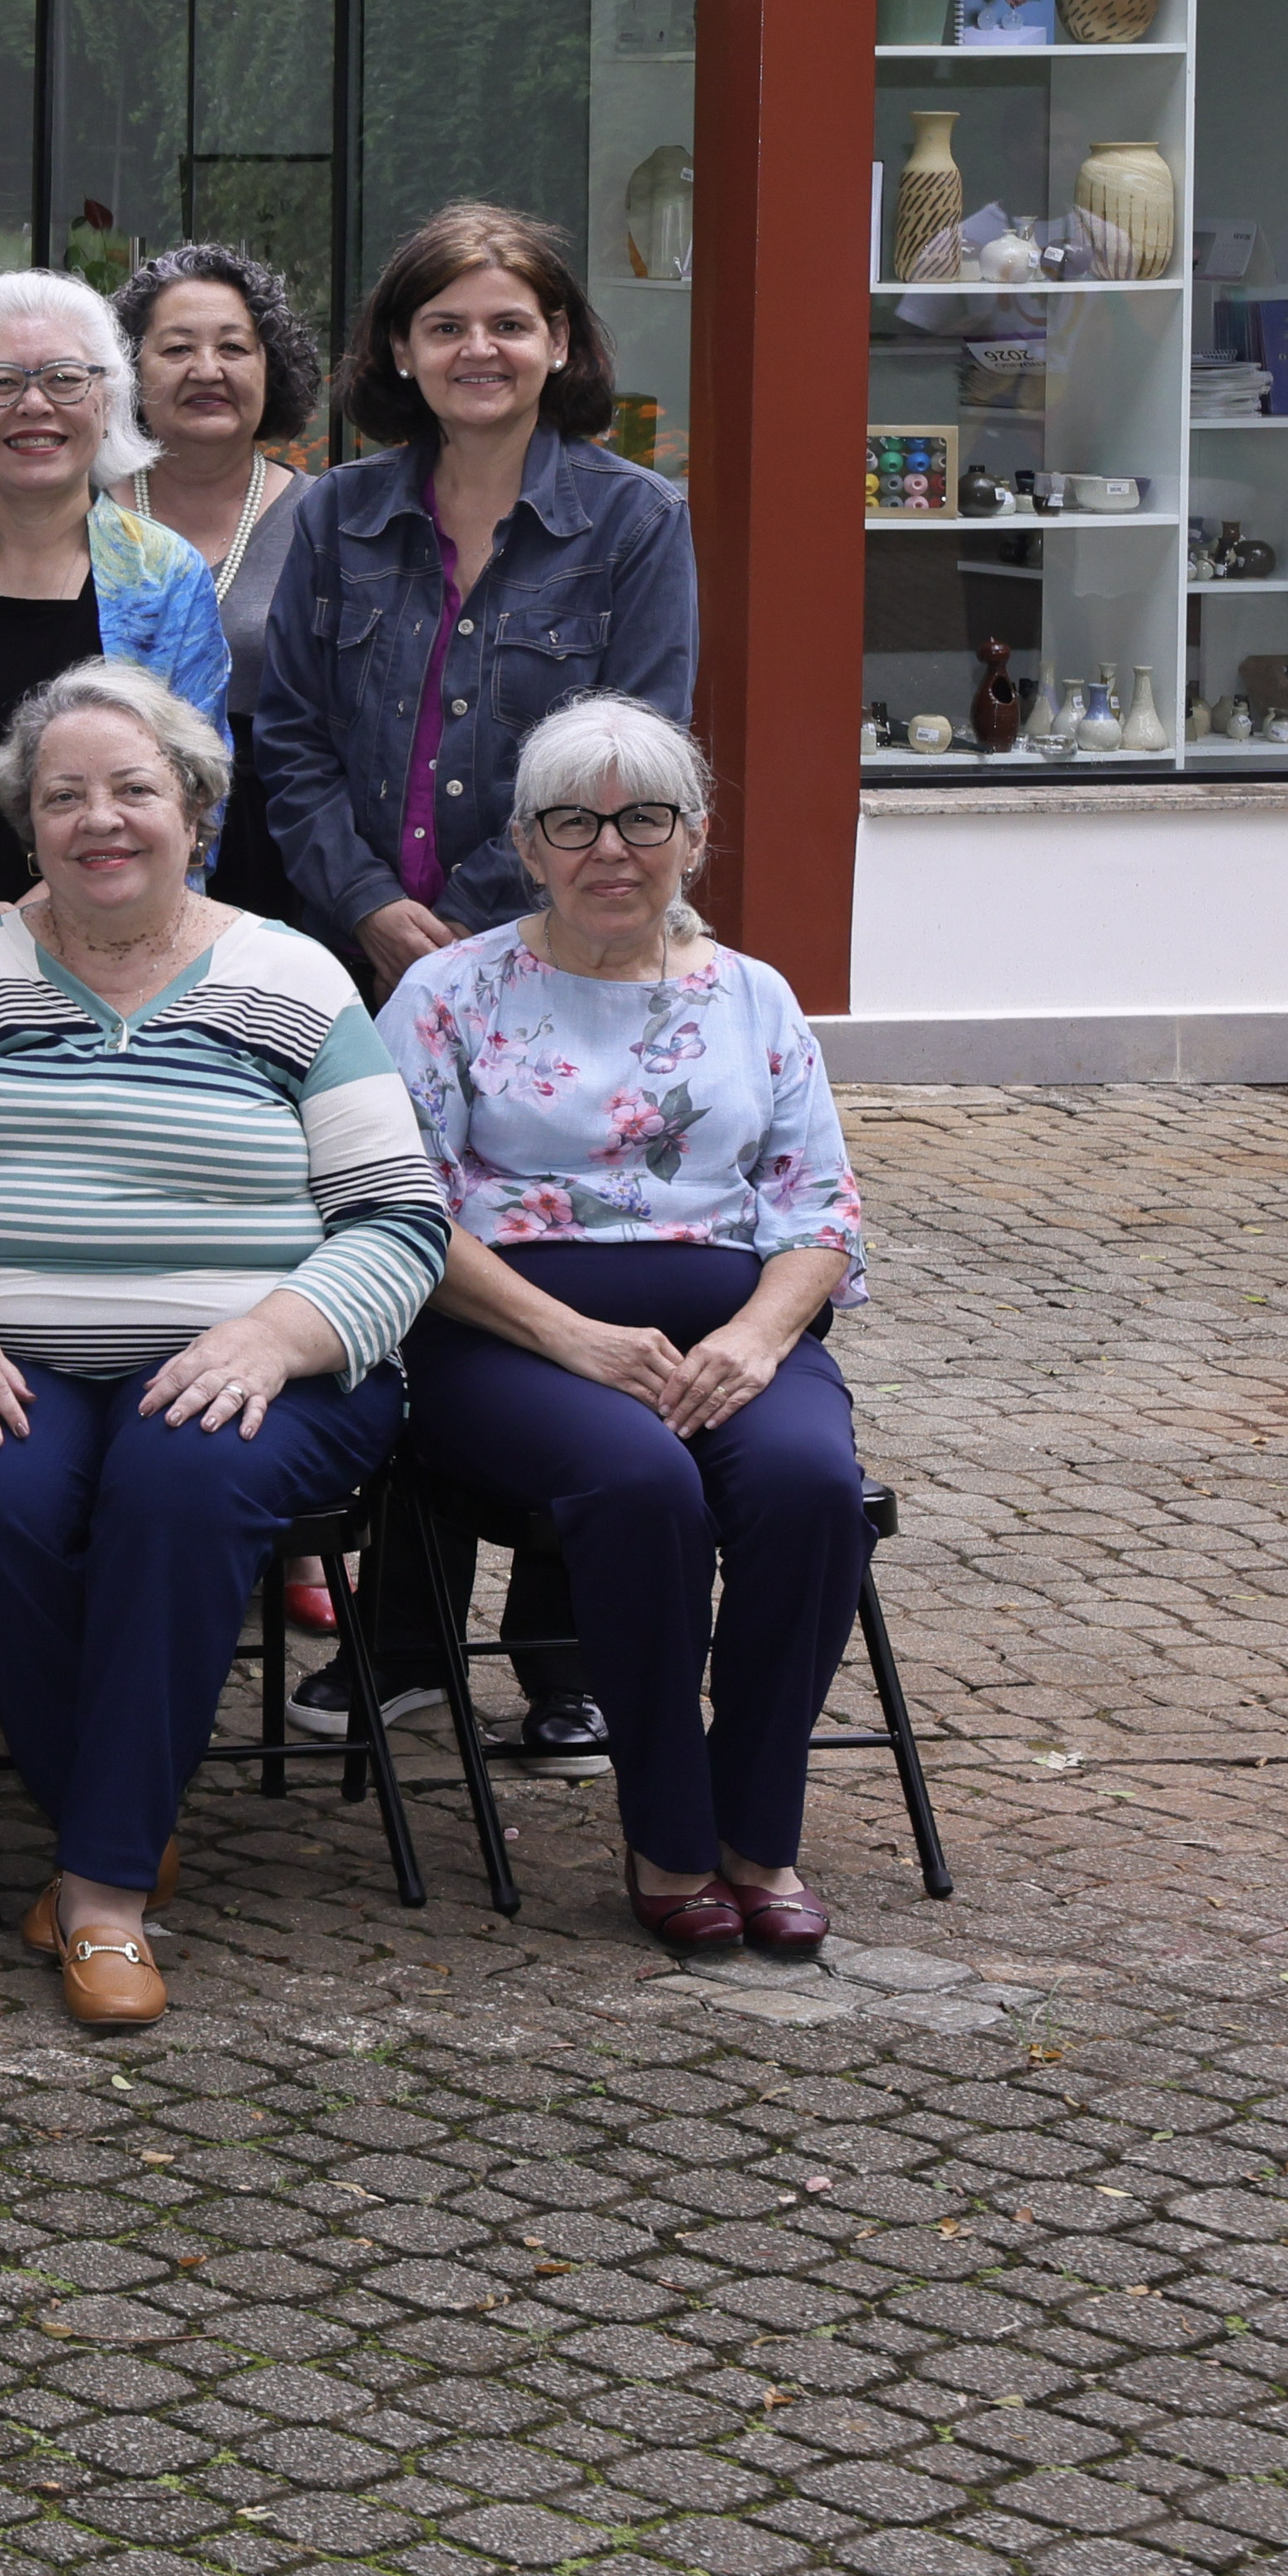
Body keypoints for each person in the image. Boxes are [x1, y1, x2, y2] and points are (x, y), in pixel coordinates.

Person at [0, 661, 448, 2033]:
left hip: (263, 1359)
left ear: (195, 806)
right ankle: (119, 1806)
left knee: (178, 1479)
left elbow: (398, 1215)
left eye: (133, 788)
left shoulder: (291, 975)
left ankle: (106, 1892)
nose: (99, 819)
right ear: (25, 823)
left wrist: (275, 1333)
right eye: (64, 796)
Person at [378, 700, 872, 1960]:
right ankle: (669, 1835)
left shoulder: (755, 996)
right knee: (640, 1481)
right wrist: (574, 1340)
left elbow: (820, 1211)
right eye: (573, 822)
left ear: (694, 838)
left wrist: (760, 1340)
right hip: (503, 1337)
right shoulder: (448, 992)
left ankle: (758, 1837)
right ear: (526, 845)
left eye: (645, 818)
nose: (611, 848)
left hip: (728, 1328)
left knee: (812, 1487)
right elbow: (398, 1211)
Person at [233, 203, 701, 1005]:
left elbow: (633, 757)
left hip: (551, 951)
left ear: (557, 342)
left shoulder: (637, 521)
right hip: (346, 958)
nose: (477, 350)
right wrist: (368, 905)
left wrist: (462, 924)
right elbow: (290, 738)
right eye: (445, 327)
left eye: (508, 325)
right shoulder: (337, 512)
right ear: (402, 350)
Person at [0, 269, 241, 923]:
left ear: (106, 403)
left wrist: (42, 919)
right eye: (0, 382)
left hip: (108, 933)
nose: (34, 404)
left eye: (64, 379)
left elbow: (199, 793)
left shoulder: (166, 575)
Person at [118, 244, 328, 663]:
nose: (207, 371)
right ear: (129, 370)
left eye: (233, 348)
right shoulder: (82, 514)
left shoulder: (326, 519)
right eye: (178, 349)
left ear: (272, 369)